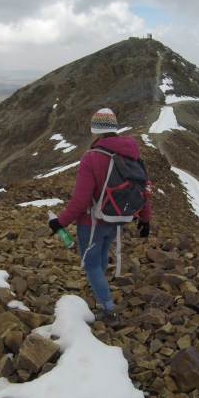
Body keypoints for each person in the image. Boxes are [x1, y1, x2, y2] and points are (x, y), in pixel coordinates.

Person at [48, 108, 152, 325]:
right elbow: (143, 188)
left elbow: (81, 201)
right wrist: (145, 218)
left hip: (92, 222)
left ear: (95, 130)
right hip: (118, 219)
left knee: (91, 264)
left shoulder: (92, 157)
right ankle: (100, 287)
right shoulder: (132, 153)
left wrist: (60, 222)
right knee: (102, 254)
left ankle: (107, 310)